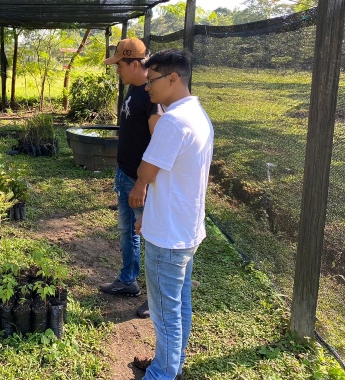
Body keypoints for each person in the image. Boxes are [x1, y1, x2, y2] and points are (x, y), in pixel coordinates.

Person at [129, 49, 214, 380]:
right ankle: (170, 365)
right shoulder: (197, 114)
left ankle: (162, 374)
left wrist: (141, 195)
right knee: (178, 306)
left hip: (168, 236)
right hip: (185, 229)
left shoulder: (174, 122)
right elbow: (170, 178)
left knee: (165, 314)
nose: (147, 88)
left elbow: (147, 171)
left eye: (151, 81)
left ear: (173, 79)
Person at [98, 38, 163, 319]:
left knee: (152, 236)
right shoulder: (133, 89)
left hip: (140, 182)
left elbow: (159, 143)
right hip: (125, 175)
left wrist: (144, 183)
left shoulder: (152, 96)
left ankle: (157, 298)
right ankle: (128, 280)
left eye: (120, 65)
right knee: (128, 231)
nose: (117, 71)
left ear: (135, 63)